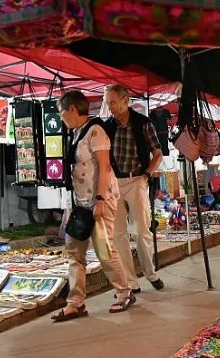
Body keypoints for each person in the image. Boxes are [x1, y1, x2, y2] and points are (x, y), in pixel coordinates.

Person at [52, 90, 133, 322]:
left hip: (99, 200)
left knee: (104, 250)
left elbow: (105, 166)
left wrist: (99, 200)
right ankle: (75, 303)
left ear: (72, 110)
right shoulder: (77, 133)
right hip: (80, 203)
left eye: (61, 113)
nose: (60, 118)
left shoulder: (95, 131)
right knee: (74, 251)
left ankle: (124, 292)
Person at [104, 85, 165, 293]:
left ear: (125, 101)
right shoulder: (107, 126)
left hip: (137, 179)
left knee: (141, 231)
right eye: (107, 102)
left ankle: (150, 273)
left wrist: (147, 175)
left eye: (112, 102)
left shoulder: (142, 123)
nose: (109, 106)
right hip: (115, 183)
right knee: (118, 234)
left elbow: (158, 153)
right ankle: (131, 281)